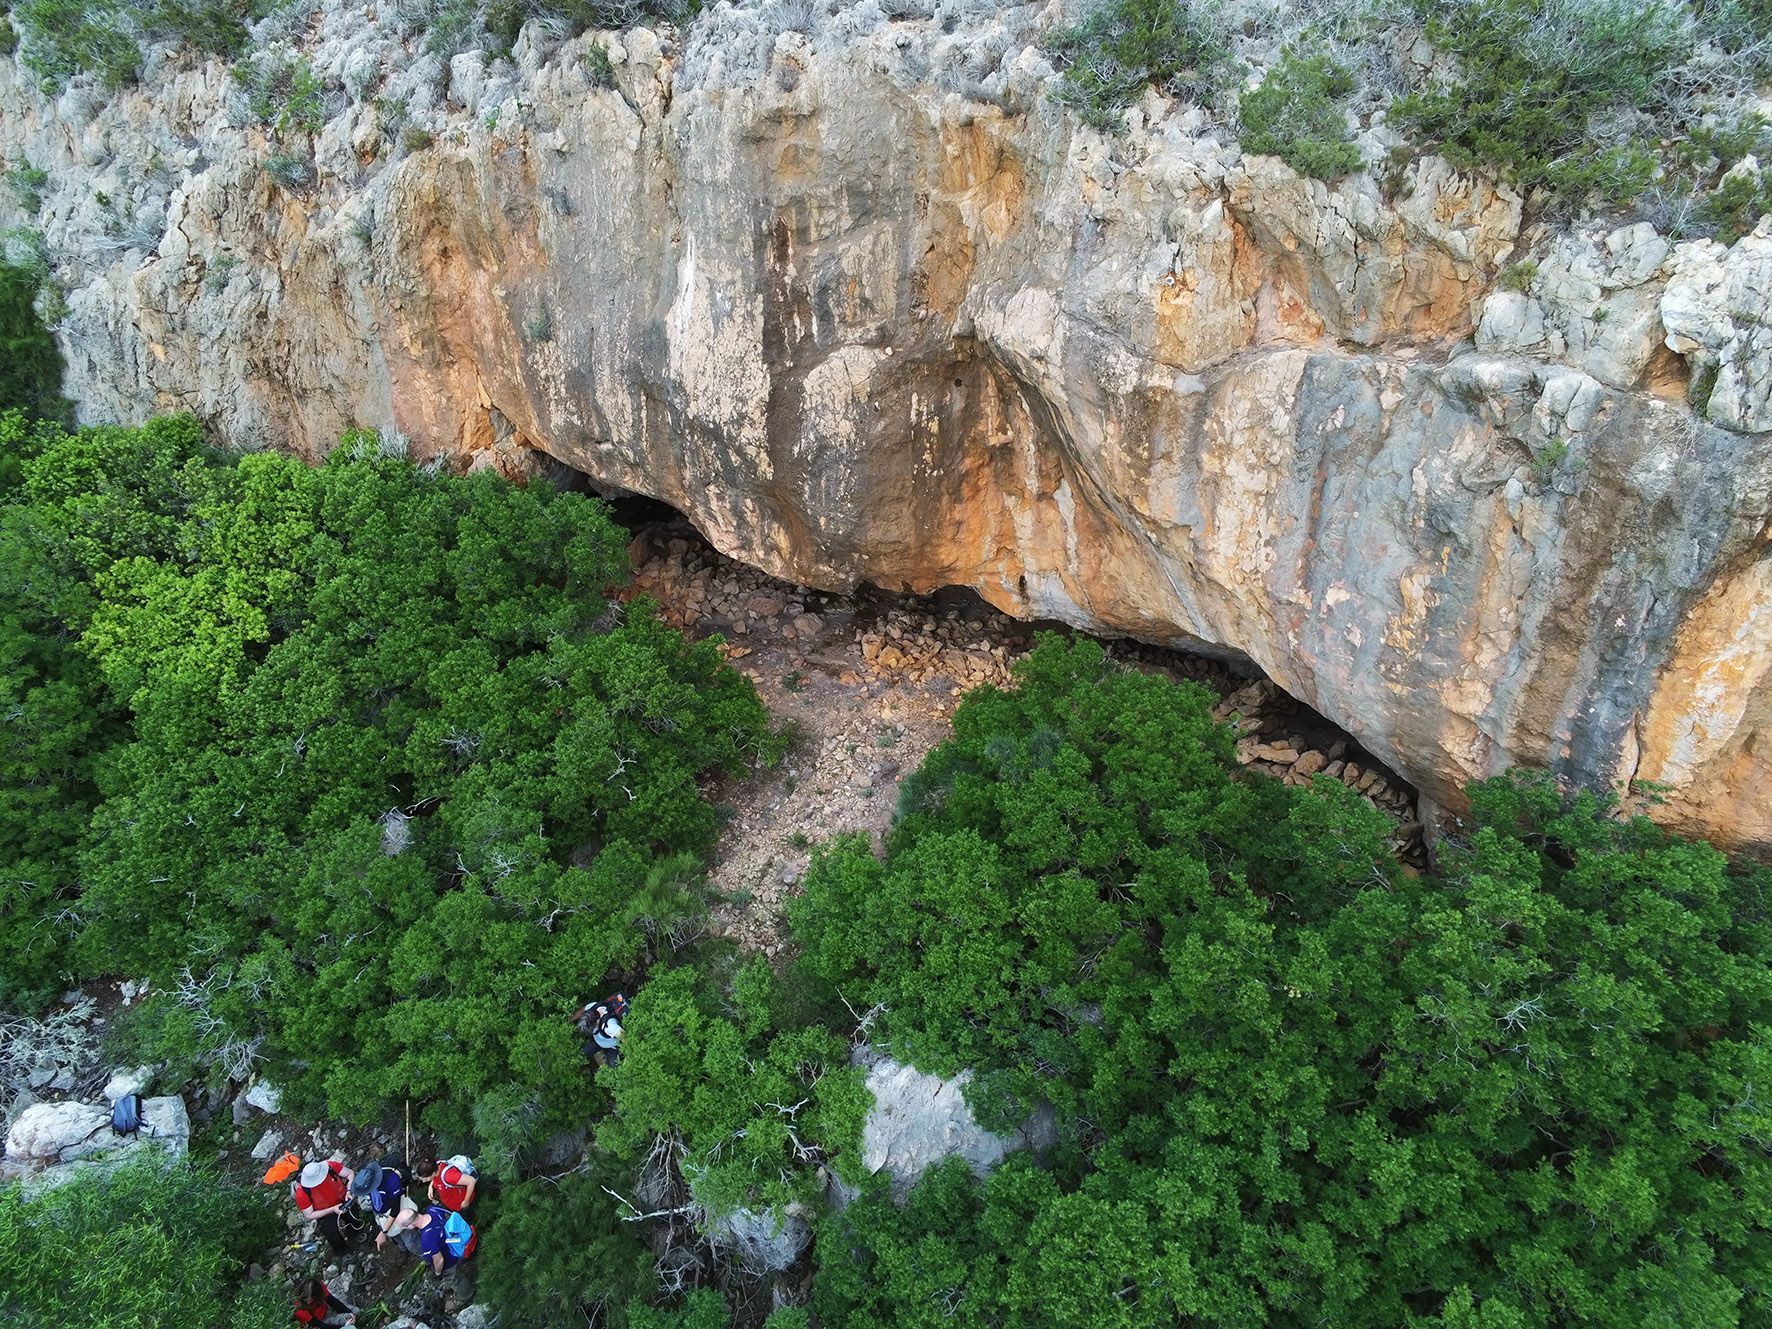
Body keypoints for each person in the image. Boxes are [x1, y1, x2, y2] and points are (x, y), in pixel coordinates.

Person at [292, 1159, 356, 1254]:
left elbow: (350, 1173)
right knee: (332, 1233)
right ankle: (342, 1251)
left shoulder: (330, 1166)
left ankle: (355, 1233)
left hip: (343, 1198)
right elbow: (309, 1214)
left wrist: (349, 1190)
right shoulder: (302, 1193)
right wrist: (332, 1210)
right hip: (324, 1212)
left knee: (353, 1215)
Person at [412, 1203, 476, 1276]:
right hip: (465, 1232)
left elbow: (439, 1260)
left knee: (455, 1278)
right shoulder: (432, 1209)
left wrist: (437, 1273)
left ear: (410, 1225)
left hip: (457, 1251)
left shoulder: (426, 1240)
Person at [574, 991, 628, 1068]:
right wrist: (569, 1021)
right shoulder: (593, 1007)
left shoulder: (609, 1026)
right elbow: (581, 1011)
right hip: (600, 1039)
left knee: (614, 1066)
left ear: (596, 1023)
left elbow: (625, 1037)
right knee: (582, 1053)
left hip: (614, 1045)